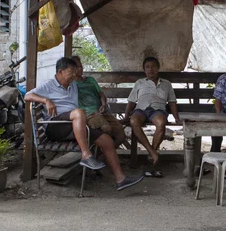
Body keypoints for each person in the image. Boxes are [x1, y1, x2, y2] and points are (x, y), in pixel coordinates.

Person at [24, 57, 143, 191]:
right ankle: (86, 155)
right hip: (56, 125)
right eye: (71, 72)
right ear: (60, 71)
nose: (74, 75)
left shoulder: (73, 84)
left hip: (74, 125)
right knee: (79, 113)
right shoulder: (49, 85)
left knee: (107, 141)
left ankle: (121, 179)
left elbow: (92, 90)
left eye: (75, 71)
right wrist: (46, 100)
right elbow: (27, 96)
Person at [124, 56, 178, 177]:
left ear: (158, 68)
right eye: (147, 67)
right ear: (144, 70)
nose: (150, 69)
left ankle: (151, 155)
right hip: (141, 109)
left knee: (161, 123)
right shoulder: (140, 83)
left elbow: (172, 102)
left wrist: (176, 118)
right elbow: (131, 101)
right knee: (134, 121)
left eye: (153, 66)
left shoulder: (166, 84)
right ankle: (153, 153)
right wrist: (127, 116)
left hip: (157, 110)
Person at [71, 55, 125, 145]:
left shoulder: (90, 80)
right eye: (77, 67)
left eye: (81, 66)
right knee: (106, 128)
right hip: (88, 114)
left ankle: (103, 156)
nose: (80, 68)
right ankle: (100, 153)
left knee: (121, 135)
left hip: (101, 111)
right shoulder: (72, 84)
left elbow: (101, 94)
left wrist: (103, 105)